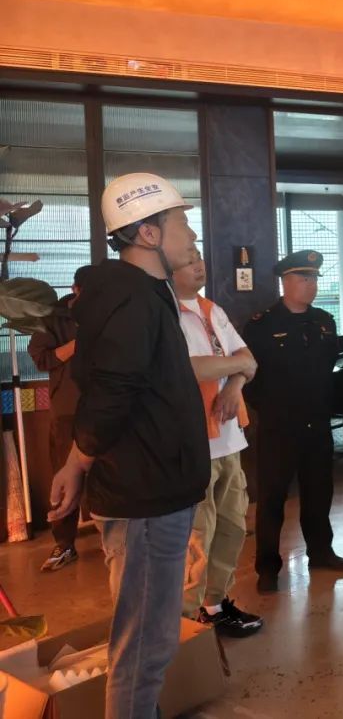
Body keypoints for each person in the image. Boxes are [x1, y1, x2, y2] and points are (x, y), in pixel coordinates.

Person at [48, 172, 208, 719]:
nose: (192, 234)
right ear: (148, 233)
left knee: (148, 639)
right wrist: (76, 462)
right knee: (143, 645)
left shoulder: (144, 294)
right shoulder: (132, 299)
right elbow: (111, 393)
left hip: (158, 490)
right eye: (182, 222)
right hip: (144, 498)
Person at [243, 250, 343, 593]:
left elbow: (327, 368)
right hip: (279, 425)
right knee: (272, 497)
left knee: (319, 491)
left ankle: (321, 552)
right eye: (304, 278)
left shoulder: (324, 321)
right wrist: (271, 409)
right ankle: (267, 567)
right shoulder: (261, 325)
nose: (311, 285)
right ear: (285, 282)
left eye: (315, 278)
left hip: (316, 422)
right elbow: (249, 377)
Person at [172, 252, 263, 637]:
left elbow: (249, 360)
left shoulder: (212, 309)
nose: (199, 264)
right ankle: (183, 621)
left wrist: (234, 387)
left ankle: (214, 605)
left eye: (199, 258)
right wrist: (235, 366)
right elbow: (189, 369)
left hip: (229, 439)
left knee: (232, 528)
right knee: (197, 537)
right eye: (189, 259)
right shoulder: (166, 312)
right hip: (195, 443)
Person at [28, 264, 92, 572]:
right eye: (87, 292)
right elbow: (41, 359)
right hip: (68, 408)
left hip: (106, 406)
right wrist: (79, 344)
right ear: (74, 289)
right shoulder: (52, 317)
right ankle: (64, 544)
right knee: (64, 477)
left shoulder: (109, 313)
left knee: (111, 475)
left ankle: (117, 536)